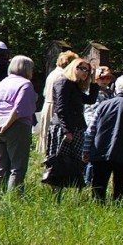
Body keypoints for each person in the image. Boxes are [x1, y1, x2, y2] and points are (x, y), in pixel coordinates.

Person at [85, 74, 123, 203]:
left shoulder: (102, 105)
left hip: (100, 150)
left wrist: (86, 149)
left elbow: (91, 129)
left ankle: (96, 207)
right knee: (121, 186)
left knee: (98, 185)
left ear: (116, 89)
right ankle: (119, 208)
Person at [0, 55, 39, 192]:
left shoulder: (2, 83)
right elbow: (18, 108)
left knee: (0, 166)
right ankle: (14, 198)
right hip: (16, 125)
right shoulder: (25, 84)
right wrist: (6, 125)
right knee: (17, 166)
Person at [40, 60, 92, 196]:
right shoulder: (63, 82)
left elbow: (90, 100)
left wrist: (94, 83)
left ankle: (69, 196)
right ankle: (55, 196)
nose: (86, 73)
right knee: (59, 163)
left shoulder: (75, 85)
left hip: (76, 128)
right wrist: (66, 130)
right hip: (64, 129)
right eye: (83, 69)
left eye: (88, 70)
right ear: (74, 67)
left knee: (75, 163)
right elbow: (61, 109)